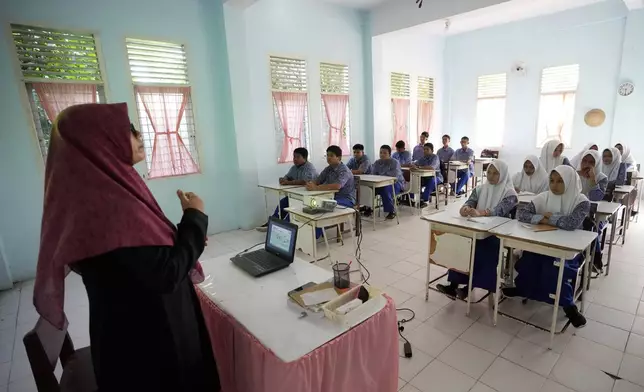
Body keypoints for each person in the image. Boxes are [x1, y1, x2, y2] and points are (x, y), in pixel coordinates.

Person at [33, 103, 219, 392]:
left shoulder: (95, 196)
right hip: (149, 352)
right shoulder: (108, 209)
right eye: (129, 130)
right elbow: (165, 272)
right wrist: (195, 217)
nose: (138, 136)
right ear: (98, 140)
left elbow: (144, 256)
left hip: (130, 335)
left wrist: (184, 237)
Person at [505, 165, 589, 328]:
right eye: (551, 180)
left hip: (569, 249)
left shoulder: (581, 201)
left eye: (560, 181)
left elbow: (572, 223)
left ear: (570, 182)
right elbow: (522, 214)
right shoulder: (543, 197)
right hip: (542, 242)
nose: (554, 185)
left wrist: (548, 218)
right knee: (529, 261)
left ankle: (568, 305)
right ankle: (522, 288)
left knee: (554, 267)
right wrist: (545, 219)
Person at [436, 160, 518, 299]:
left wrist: (482, 212)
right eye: (489, 173)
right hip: (478, 228)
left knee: (483, 250)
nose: (491, 176)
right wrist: (465, 208)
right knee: (462, 246)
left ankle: (469, 288)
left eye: (495, 173)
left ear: (503, 174)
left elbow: (500, 211)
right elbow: (471, 201)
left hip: (496, 233)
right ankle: (453, 285)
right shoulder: (480, 188)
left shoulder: (510, 193)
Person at [256, 148, 317, 231]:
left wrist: (288, 182)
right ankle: (272, 223)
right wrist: (283, 179)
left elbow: (304, 181)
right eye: (294, 157)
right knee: (282, 204)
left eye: (298, 157)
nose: (295, 159)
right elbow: (287, 176)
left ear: (305, 158)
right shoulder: (294, 168)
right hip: (295, 195)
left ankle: (284, 228)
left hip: (308, 198)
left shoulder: (309, 168)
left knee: (291, 210)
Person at [372, 145, 405, 219]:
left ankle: (391, 211)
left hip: (396, 183)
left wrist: (381, 175)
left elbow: (395, 175)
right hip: (381, 183)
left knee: (385, 189)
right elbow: (373, 174)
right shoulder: (377, 162)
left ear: (389, 154)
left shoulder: (395, 162)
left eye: (384, 153)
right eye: (380, 152)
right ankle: (368, 207)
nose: (382, 154)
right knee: (369, 189)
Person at [411, 143, 443, 208]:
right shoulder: (423, 158)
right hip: (425, 177)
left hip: (436, 177)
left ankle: (425, 200)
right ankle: (411, 199)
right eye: (424, 149)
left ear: (432, 150)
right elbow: (415, 164)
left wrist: (418, 167)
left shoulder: (435, 157)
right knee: (414, 179)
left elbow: (432, 167)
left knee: (431, 180)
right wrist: (413, 165)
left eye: (427, 149)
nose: (425, 151)